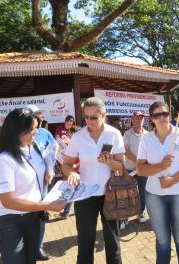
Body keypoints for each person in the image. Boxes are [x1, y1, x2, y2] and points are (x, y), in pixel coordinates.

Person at [0, 108, 65, 264]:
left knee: (31, 260)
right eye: (32, 129)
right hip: (8, 221)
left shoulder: (34, 146)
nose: (36, 132)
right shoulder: (3, 159)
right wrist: (46, 205)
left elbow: (37, 168)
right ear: (17, 130)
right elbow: (8, 201)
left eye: (37, 127)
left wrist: (45, 174)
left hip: (33, 217)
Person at [62, 97, 125, 264]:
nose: (89, 121)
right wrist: (71, 174)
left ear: (103, 115)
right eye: (86, 117)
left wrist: (110, 162)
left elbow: (121, 167)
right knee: (85, 241)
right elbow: (66, 164)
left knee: (112, 241)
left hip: (110, 194)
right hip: (85, 195)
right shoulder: (78, 136)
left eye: (93, 117)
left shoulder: (114, 134)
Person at [137, 101, 179, 264]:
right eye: (157, 115)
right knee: (163, 240)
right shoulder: (146, 139)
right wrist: (160, 166)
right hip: (155, 196)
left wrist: (172, 180)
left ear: (170, 115)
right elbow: (140, 169)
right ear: (152, 119)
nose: (162, 117)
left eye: (165, 114)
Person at [26, 104, 57, 261]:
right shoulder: (17, 135)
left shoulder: (44, 132)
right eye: (38, 114)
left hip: (43, 182)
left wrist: (50, 170)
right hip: (25, 185)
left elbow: (52, 149)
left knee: (41, 214)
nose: (41, 117)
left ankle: (38, 247)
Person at [123, 111, 148, 227]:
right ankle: (126, 215)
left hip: (143, 169)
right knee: (129, 193)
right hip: (129, 169)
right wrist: (138, 162)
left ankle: (141, 212)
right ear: (132, 120)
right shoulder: (127, 134)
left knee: (143, 191)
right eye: (136, 118)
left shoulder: (148, 134)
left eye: (141, 118)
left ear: (144, 120)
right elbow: (126, 151)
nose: (138, 121)